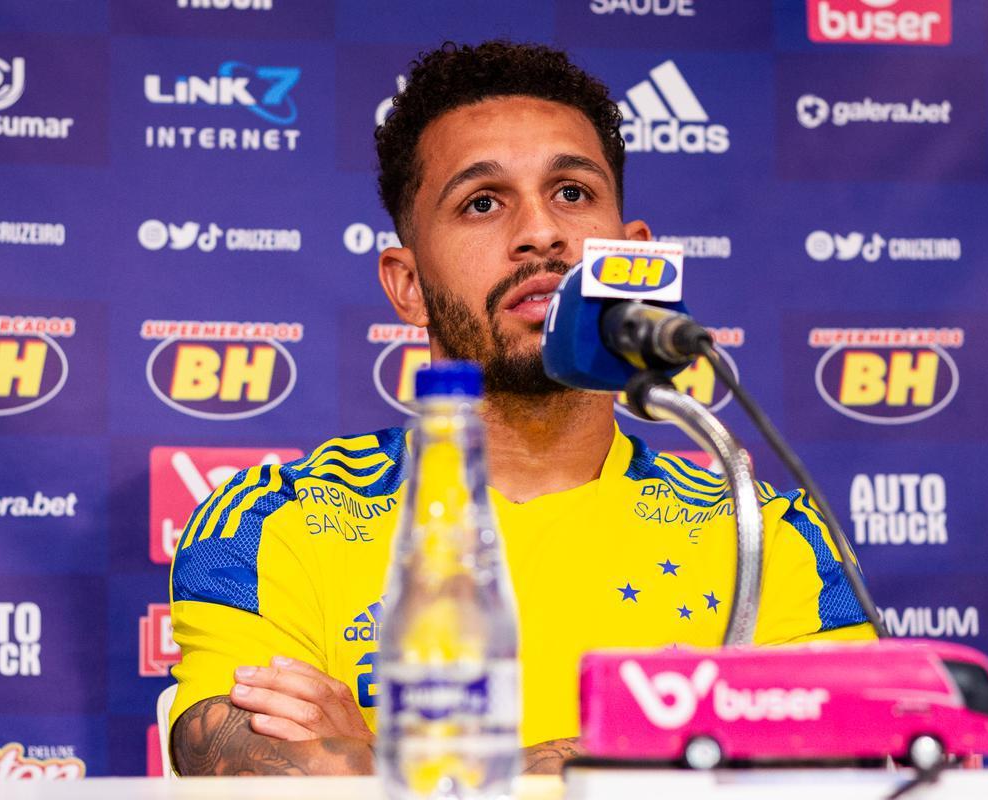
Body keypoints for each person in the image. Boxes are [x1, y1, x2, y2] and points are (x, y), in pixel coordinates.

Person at [167, 40, 874, 777]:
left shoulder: (764, 531)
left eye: (572, 192)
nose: (541, 233)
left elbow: (849, 756)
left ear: (633, 254)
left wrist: (387, 766)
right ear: (407, 284)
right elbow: (231, 761)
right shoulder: (276, 520)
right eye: (482, 203)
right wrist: (672, 752)